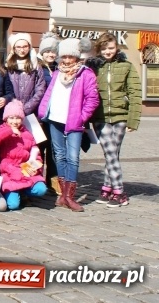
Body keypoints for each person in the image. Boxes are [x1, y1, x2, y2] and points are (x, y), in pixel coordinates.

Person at [38, 38, 99, 212]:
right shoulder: (57, 72)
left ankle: (70, 196)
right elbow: (50, 93)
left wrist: (81, 117)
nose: (66, 60)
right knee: (59, 156)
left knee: (73, 158)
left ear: (77, 56)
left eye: (70, 56)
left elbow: (92, 99)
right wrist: (44, 111)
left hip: (74, 121)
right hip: (55, 119)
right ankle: (62, 195)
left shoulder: (85, 73)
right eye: (63, 56)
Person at [88, 33, 142, 208]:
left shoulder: (126, 66)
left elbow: (135, 93)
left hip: (120, 116)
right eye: (103, 48)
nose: (107, 52)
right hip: (100, 117)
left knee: (112, 154)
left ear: (116, 48)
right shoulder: (94, 68)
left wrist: (133, 120)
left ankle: (109, 189)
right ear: (98, 49)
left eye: (110, 48)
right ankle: (118, 190)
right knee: (110, 152)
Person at [0, 100, 48, 211]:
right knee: (13, 205)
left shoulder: (28, 134)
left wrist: (35, 168)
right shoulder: (1, 130)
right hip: (8, 172)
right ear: (6, 118)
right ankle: (13, 193)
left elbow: (36, 154)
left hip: (25, 171)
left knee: (41, 189)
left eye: (18, 118)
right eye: (11, 118)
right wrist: (9, 131)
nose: (15, 121)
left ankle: (23, 191)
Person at [37, 32, 61, 194]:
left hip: (55, 116)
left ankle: (53, 180)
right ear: (42, 52)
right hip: (39, 116)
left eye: (53, 51)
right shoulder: (37, 68)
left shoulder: (60, 68)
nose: (50, 54)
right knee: (38, 150)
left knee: (54, 150)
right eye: (47, 51)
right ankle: (36, 181)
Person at [6, 33, 46, 117]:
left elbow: (40, 89)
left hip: (30, 112)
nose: (22, 50)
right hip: (11, 112)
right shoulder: (7, 66)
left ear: (29, 47)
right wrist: (14, 107)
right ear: (14, 48)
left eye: (25, 46)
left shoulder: (36, 66)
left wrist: (27, 107)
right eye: (18, 47)